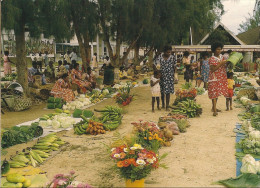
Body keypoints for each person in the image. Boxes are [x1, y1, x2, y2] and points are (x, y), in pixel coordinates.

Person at [208, 42, 229, 116]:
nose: (219, 51)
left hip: (221, 78)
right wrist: (221, 63)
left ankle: (214, 107)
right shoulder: (211, 59)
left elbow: (224, 66)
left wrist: (227, 63)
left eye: (220, 49)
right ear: (214, 50)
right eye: (217, 49)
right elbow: (213, 69)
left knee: (217, 93)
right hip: (214, 77)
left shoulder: (222, 57)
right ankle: (214, 110)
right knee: (214, 93)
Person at [155, 45, 176, 111]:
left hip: (169, 77)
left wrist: (175, 75)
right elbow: (156, 66)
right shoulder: (159, 57)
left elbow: (174, 67)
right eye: (167, 52)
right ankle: (163, 104)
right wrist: (158, 73)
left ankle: (167, 106)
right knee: (162, 91)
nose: (168, 54)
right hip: (162, 76)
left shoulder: (172, 57)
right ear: (164, 52)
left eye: (170, 52)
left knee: (168, 91)